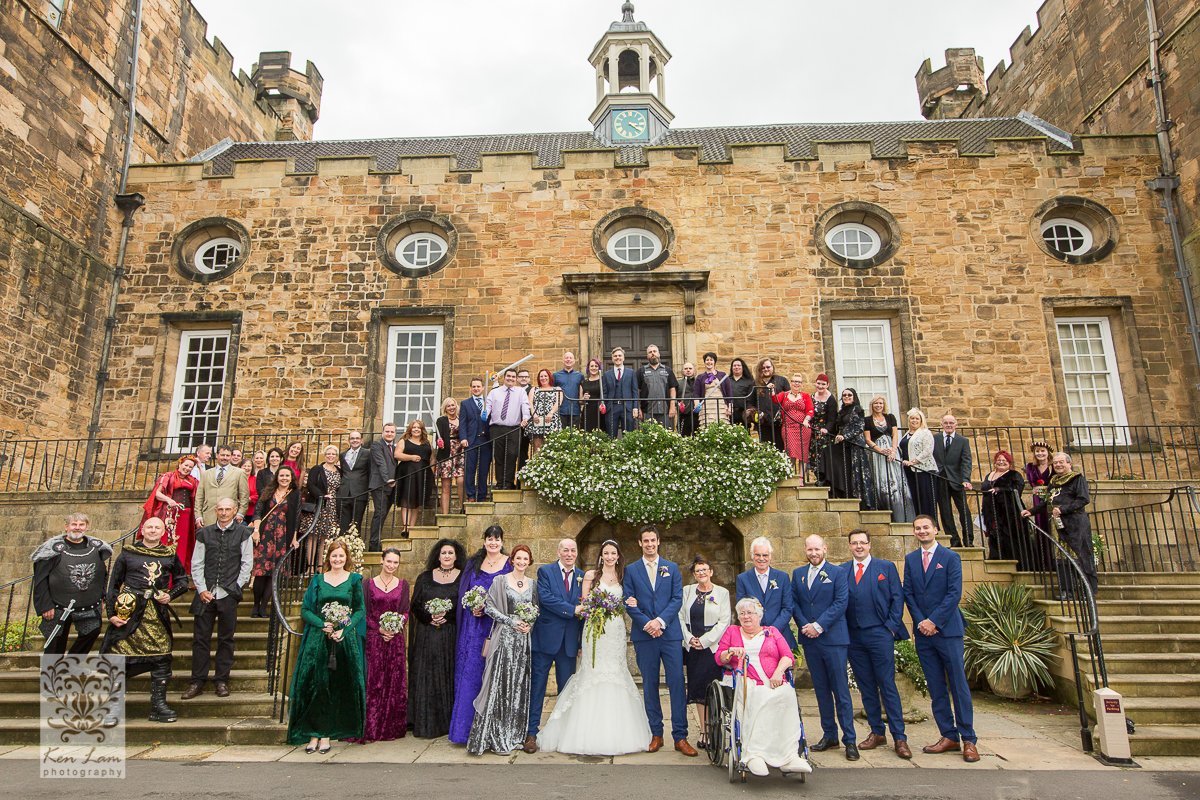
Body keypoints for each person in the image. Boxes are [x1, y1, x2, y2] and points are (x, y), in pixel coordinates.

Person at [536, 539, 652, 755]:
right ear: (601, 555)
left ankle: (619, 733)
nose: (609, 557)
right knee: (592, 672)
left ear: (618, 556)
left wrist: (633, 604)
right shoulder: (589, 576)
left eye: (613, 553)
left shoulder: (624, 577)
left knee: (615, 672)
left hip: (615, 630)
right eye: (606, 553)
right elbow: (584, 605)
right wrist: (590, 621)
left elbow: (630, 599)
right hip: (595, 632)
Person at [903, 515, 979, 763]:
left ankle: (968, 739)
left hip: (947, 631)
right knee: (936, 688)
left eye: (926, 527)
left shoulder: (950, 558)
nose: (922, 531)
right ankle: (948, 735)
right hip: (924, 635)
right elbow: (909, 594)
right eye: (918, 528)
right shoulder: (911, 560)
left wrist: (934, 621)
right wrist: (921, 622)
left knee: (958, 685)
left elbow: (954, 593)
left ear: (936, 529)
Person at [99, 517, 189, 723]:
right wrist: (111, 614)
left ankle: (158, 706)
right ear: (143, 529)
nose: (153, 530)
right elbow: (113, 585)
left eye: (157, 527)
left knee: (162, 658)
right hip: (128, 612)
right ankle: (113, 708)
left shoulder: (169, 554)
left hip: (156, 613)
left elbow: (183, 581)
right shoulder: (128, 553)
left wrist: (170, 595)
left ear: (163, 531)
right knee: (118, 659)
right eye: (150, 527)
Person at [714, 598, 812, 776]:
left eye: (750, 613)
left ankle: (789, 756)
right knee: (757, 697)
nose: (746, 616)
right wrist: (730, 652)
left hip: (773, 678)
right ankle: (754, 754)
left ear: (759, 615)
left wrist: (778, 673)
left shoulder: (772, 632)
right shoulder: (732, 631)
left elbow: (787, 656)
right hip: (746, 678)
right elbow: (719, 657)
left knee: (786, 696)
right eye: (742, 613)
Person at [623, 525, 697, 756]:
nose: (649, 544)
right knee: (650, 684)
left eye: (653, 540)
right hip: (645, 636)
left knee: (676, 683)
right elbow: (628, 600)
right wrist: (648, 623)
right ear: (640, 543)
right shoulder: (631, 570)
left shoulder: (672, 568)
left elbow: (677, 599)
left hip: (669, 634)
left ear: (658, 541)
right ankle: (656, 734)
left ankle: (680, 736)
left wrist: (660, 622)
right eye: (645, 541)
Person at [287, 539, 367, 752]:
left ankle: (327, 735)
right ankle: (313, 734)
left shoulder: (354, 580)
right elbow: (305, 610)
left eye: (341, 556)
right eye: (334, 556)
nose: (337, 559)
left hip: (343, 641)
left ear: (346, 558)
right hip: (318, 640)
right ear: (328, 558)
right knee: (317, 686)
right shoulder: (318, 580)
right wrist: (323, 624)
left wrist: (344, 628)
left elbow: (359, 611)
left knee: (337, 686)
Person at [843, 529, 911, 759]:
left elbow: (897, 597)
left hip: (880, 634)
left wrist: (890, 627)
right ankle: (876, 731)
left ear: (870, 545)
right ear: (850, 546)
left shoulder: (886, 567)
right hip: (854, 637)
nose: (859, 546)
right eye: (854, 543)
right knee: (866, 686)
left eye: (863, 542)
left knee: (887, 684)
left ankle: (899, 737)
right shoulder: (842, 571)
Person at [791, 534, 858, 760]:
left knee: (840, 691)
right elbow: (795, 604)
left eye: (817, 549)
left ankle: (850, 739)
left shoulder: (838, 573)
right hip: (811, 641)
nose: (813, 553)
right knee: (820, 690)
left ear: (825, 549)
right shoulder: (798, 574)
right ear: (805, 550)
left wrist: (818, 626)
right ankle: (829, 734)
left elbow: (841, 603)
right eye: (809, 549)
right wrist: (805, 626)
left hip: (833, 639)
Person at [467, 544, 538, 756]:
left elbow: (535, 610)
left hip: (522, 643)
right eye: (519, 558)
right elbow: (489, 607)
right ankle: (495, 737)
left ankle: (514, 735)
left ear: (529, 562)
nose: (522, 562)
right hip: (504, 640)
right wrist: (510, 621)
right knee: (500, 686)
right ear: (512, 560)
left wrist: (528, 624)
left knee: (517, 688)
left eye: (526, 559)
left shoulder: (532, 584)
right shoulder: (500, 581)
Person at [183, 497, 253, 700]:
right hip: (206, 594)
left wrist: (236, 587)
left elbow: (247, 562)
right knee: (200, 639)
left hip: (228, 594)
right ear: (215, 510)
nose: (223, 513)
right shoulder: (204, 533)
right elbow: (197, 563)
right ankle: (197, 681)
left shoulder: (243, 533)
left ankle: (221, 680)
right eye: (220, 509)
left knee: (226, 639)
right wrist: (202, 589)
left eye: (227, 509)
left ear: (234, 511)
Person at [448, 526, 512, 744]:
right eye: (490, 539)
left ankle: (493, 732)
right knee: (472, 675)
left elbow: (513, 594)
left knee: (495, 676)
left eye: (497, 539)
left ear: (502, 541)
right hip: (474, 629)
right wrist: (472, 606)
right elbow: (464, 593)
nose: (493, 543)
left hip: (497, 627)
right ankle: (465, 732)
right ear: (484, 541)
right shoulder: (473, 564)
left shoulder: (509, 563)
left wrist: (490, 608)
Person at [525, 538, 584, 752]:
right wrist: (572, 609)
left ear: (576, 554)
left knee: (565, 691)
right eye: (565, 550)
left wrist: (580, 643)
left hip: (569, 643)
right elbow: (546, 599)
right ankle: (531, 733)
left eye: (572, 550)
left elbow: (585, 613)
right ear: (558, 552)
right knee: (538, 688)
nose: (569, 554)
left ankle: (562, 734)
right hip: (545, 640)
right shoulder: (546, 572)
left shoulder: (582, 577)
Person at [32, 512, 111, 655]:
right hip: (56, 606)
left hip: (88, 604)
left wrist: (103, 597)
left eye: (81, 525)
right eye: (74, 524)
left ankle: (72, 665)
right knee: (56, 641)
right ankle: (52, 674)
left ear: (87, 527)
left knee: (92, 631)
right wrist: (45, 605)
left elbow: (102, 574)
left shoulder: (96, 548)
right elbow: (40, 580)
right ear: (66, 527)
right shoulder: (51, 550)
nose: (77, 528)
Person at [1024, 452, 1099, 599]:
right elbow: (1047, 502)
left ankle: (1088, 590)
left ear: (1069, 464)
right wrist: (1030, 511)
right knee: (1061, 556)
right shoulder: (1053, 482)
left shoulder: (1077, 479)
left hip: (1076, 522)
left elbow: (1083, 499)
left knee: (1082, 554)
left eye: (1061, 462)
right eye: (1056, 463)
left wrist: (1063, 509)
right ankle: (1067, 590)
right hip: (1059, 524)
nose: (1058, 465)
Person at [409, 538, 464, 739]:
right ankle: (427, 722)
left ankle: (447, 722)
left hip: (450, 634)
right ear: (437, 556)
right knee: (428, 675)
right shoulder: (425, 577)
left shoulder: (463, 578)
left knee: (448, 673)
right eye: (443, 553)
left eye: (450, 553)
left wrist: (446, 616)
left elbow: (464, 604)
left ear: (456, 556)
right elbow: (415, 605)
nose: (447, 556)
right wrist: (429, 617)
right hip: (427, 634)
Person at [355, 547, 410, 743]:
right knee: (374, 682)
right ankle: (371, 725)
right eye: (389, 561)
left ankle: (389, 726)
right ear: (381, 561)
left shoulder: (403, 585)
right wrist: (380, 629)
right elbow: (364, 612)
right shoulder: (368, 584)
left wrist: (394, 628)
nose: (392, 566)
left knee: (392, 682)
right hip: (374, 640)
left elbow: (405, 612)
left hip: (395, 641)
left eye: (395, 562)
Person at [680, 555, 730, 748]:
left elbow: (724, 621)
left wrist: (705, 640)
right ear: (694, 574)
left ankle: (715, 729)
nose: (701, 573)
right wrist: (690, 638)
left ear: (711, 572)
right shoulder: (687, 591)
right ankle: (704, 731)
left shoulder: (722, 593)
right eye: (697, 571)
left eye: (704, 570)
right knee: (699, 691)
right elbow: (680, 616)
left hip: (712, 647)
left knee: (712, 689)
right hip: (693, 647)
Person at [250, 465, 301, 618]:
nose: (284, 478)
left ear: (291, 478)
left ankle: (264, 606)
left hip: (283, 536)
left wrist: (294, 538)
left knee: (274, 574)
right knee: (260, 572)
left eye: (287, 476)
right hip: (265, 535)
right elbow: (258, 511)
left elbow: (297, 517)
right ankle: (255, 604)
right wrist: (256, 530)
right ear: (277, 477)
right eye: (282, 475)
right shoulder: (268, 491)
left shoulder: (295, 494)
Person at [141, 454, 199, 574]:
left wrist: (200, 467)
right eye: (186, 465)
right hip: (170, 514)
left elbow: (202, 488)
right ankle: (164, 574)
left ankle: (178, 573)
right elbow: (157, 493)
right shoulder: (168, 476)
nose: (187, 468)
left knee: (182, 545)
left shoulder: (192, 480)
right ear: (180, 464)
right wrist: (169, 500)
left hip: (186, 515)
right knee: (168, 541)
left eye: (191, 467)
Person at [735, 536, 796, 650]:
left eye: (765, 555)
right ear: (752, 556)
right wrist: (758, 630)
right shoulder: (743, 579)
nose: (761, 558)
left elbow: (788, 608)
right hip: (753, 636)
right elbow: (742, 608)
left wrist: (773, 629)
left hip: (780, 634)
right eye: (758, 555)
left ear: (770, 556)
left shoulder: (782, 577)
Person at [829, 387, 877, 509]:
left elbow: (859, 427)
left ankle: (862, 502)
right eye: (844, 395)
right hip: (845, 445)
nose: (846, 397)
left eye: (849, 395)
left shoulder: (857, 409)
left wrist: (844, 436)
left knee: (857, 473)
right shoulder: (842, 411)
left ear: (854, 397)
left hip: (855, 445)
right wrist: (838, 436)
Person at [485, 369, 531, 490]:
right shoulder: (495, 392)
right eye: (508, 376)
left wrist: (526, 418)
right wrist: (484, 413)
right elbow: (488, 405)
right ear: (504, 377)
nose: (510, 378)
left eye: (513, 377)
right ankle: (500, 483)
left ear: (516, 379)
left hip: (514, 429)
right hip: (497, 428)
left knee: (512, 454)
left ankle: (509, 482)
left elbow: (525, 406)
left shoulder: (520, 392)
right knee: (499, 456)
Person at [933, 414, 974, 547]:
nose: (949, 425)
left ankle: (969, 540)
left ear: (956, 424)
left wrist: (966, 479)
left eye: (951, 422)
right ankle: (954, 541)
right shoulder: (935, 439)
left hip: (957, 480)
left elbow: (966, 461)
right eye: (946, 423)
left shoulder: (963, 441)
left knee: (964, 511)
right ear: (942, 424)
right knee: (945, 512)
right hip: (940, 478)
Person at [981, 450, 1026, 563]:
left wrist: (999, 489)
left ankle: (1013, 562)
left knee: (1008, 537)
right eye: (999, 460)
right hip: (990, 512)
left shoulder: (1014, 475)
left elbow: (1017, 490)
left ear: (1009, 463)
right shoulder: (989, 475)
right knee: (993, 535)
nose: (1001, 462)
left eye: (1004, 460)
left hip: (1008, 512)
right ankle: (996, 560)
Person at [865, 396, 906, 520]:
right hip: (877, 453)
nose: (878, 405)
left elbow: (894, 435)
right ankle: (885, 507)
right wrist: (880, 450)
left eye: (881, 403)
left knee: (896, 479)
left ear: (884, 405)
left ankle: (901, 512)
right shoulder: (867, 420)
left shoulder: (890, 417)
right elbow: (867, 439)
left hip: (892, 451)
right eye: (876, 403)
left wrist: (893, 451)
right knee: (881, 479)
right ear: (872, 405)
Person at [305, 445, 343, 565]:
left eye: (333, 454)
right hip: (319, 504)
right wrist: (321, 495)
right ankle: (310, 567)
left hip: (332, 507)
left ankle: (321, 566)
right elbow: (310, 485)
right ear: (325, 455)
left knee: (325, 538)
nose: (330, 456)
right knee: (313, 537)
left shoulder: (339, 471)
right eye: (328, 454)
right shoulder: (317, 469)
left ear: (336, 457)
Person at [194, 445, 250, 527]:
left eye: (228, 455)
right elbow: (199, 496)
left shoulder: (239, 473)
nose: (225, 458)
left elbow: (244, 496)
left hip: (230, 517)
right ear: (217, 455)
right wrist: (198, 516)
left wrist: (240, 513)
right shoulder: (206, 473)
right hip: (209, 517)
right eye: (222, 455)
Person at [773, 375, 815, 481]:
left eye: (799, 382)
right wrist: (772, 389)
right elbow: (775, 399)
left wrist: (806, 420)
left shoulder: (805, 396)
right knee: (790, 451)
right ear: (791, 383)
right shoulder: (785, 395)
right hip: (788, 428)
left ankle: (801, 478)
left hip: (803, 428)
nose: (796, 384)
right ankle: (790, 477)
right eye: (794, 381)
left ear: (801, 384)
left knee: (803, 453)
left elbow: (810, 410)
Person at [395, 419, 435, 530]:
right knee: (406, 500)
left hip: (422, 475)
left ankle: (412, 527)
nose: (416, 429)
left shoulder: (427, 443)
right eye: (414, 427)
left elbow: (432, 458)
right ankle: (405, 526)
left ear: (422, 430)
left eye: (419, 427)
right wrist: (411, 457)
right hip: (408, 474)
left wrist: (431, 471)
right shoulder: (404, 441)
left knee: (417, 501)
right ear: (410, 429)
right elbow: (397, 454)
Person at [900, 408, 937, 519]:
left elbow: (927, 451)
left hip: (923, 470)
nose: (914, 420)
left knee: (925, 498)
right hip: (909, 470)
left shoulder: (925, 433)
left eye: (917, 418)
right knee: (915, 497)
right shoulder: (907, 433)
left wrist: (913, 462)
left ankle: (929, 522)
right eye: (912, 418)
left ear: (921, 420)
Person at [1023, 440, 1054, 571]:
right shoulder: (1030, 467)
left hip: (1050, 498)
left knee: (1051, 526)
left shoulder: (1053, 466)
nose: (1040, 453)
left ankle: (1054, 560)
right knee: (1040, 527)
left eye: (1042, 451)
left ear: (1048, 453)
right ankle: (1043, 562)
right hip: (1037, 499)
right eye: (1037, 451)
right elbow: (1032, 483)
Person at [460, 378, 492, 503]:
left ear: (483, 388)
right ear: (470, 388)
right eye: (474, 386)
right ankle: (471, 495)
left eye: (478, 386)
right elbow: (462, 423)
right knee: (470, 469)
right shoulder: (465, 403)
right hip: (471, 440)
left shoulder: (488, 402)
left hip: (486, 440)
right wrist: (463, 438)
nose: (476, 388)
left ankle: (482, 496)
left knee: (484, 470)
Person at [433, 398, 467, 515]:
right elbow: (438, 437)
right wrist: (439, 441)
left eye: (453, 405)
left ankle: (463, 508)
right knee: (446, 486)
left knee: (461, 481)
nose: (451, 408)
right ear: (445, 408)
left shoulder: (461, 419)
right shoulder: (441, 420)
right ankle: (445, 514)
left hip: (460, 452)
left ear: (456, 406)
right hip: (446, 453)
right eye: (448, 406)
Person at [368, 423, 398, 550]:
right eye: (387, 431)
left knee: (384, 514)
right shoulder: (377, 445)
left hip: (391, 486)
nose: (389, 434)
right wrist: (387, 479)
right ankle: (374, 544)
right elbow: (381, 463)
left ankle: (377, 540)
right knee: (379, 513)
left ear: (395, 434)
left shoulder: (394, 448)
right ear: (382, 433)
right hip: (380, 484)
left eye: (392, 432)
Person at [638, 344, 679, 430]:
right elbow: (637, 390)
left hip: (665, 410)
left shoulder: (668, 370)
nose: (653, 353)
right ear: (647, 356)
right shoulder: (641, 371)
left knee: (666, 436)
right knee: (648, 437)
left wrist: (672, 406)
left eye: (654, 351)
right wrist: (638, 408)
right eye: (650, 352)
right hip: (647, 411)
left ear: (659, 354)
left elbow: (672, 389)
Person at [338, 431, 371, 536]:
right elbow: (343, 471)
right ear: (349, 440)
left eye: (357, 438)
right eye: (352, 438)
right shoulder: (343, 455)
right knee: (343, 524)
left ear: (361, 440)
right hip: (344, 492)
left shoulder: (368, 453)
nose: (355, 440)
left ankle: (355, 547)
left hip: (360, 492)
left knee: (356, 523)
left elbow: (371, 471)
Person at [602, 347, 639, 437]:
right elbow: (604, 392)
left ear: (623, 358)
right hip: (612, 407)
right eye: (615, 356)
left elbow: (635, 391)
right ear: (612, 358)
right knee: (611, 435)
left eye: (619, 355)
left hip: (627, 407)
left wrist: (635, 407)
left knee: (628, 436)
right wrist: (604, 404)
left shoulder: (631, 373)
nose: (617, 357)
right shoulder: (607, 374)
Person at [753, 358, 789, 450]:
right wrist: (756, 413)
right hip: (763, 422)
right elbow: (750, 402)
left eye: (768, 367)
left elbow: (788, 398)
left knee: (780, 448)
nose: (766, 369)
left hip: (779, 423)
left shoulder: (782, 381)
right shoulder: (755, 383)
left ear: (772, 367)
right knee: (765, 449)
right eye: (763, 367)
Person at [527, 369, 562, 456]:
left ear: (549, 377)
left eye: (545, 376)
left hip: (552, 420)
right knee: (537, 447)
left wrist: (551, 413)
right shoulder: (534, 389)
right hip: (537, 419)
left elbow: (558, 402)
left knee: (552, 446)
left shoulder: (557, 389)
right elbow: (530, 403)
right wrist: (534, 414)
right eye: (541, 376)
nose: (543, 378)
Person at [692, 351, 731, 429]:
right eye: (707, 360)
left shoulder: (723, 375)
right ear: (704, 362)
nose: (709, 362)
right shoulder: (700, 377)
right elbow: (696, 393)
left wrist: (730, 407)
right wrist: (696, 404)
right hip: (707, 405)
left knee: (722, 426)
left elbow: (729, 392)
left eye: (711, 360)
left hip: (721, 405)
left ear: (714, 362)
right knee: (707, 427)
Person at [809, 374, 836, 485]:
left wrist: (826, 429)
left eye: (823, 384)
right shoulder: (811, 397)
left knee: (822, 456)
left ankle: (823, 479)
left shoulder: (831, 399)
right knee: (813, 456)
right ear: (816, 383)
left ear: (827, 385)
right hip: (812, 431)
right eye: (818, 383)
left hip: (824, 433)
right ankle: (817, 477)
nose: (820, 386)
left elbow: (832, 418)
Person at [553, 351, 585, 429]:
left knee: (574, 436)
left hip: (575, 410)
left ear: (574, 361)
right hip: (560, 411)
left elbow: (583, 391)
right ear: (563, 360)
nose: (568, 360)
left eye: (570, 358)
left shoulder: (580, 376)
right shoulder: (556, 375)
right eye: (566, 358)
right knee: (561, 436)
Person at [727, 357, 755, 430]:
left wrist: (748, 411)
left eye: (739, 365)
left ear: (743, 367)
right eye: (734, 365)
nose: (736, 367)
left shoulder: (749, 381)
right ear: (732, 368)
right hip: (729, 413)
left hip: (743, 413)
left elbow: (750, 398)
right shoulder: (727, 381)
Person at [677, 362, 700, 437]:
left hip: (697, 415)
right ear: (683, 371)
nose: (688, 370)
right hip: (684, 414)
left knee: (698, 437)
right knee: (683, 437)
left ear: (694, 370)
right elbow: (674, 398)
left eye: (690, 368)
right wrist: (677, 404)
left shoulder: (699, 382)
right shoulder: (678, 383)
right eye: (686, 369)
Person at [241, 459, 258, 524]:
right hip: (237, 511)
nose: (246, 468)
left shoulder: (256, 479)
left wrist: (249, 498)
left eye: (249, 466)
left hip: (251, 511)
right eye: (244, 466)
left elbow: (259, 494)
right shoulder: (236, 479)